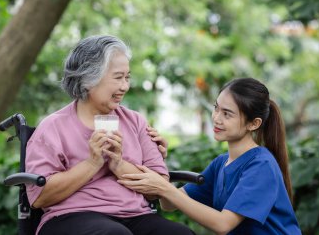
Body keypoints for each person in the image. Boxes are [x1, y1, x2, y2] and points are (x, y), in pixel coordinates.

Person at [25, 35, 195, 235]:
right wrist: (92, 163)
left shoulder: (136, 122)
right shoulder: (53, 127)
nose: (125, 86)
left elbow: (159, 186)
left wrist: (119, 164)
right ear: (88, 79)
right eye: (118, 77)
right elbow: (39, 197)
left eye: (127, 77)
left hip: (135, 215)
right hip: (71, 217)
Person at [119, 77, 302, 235]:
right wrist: (158, 162)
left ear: (253, 124)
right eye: (216, 108)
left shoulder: (261, 165)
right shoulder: (221, 163)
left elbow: (223, 224)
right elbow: (169, 204)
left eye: (227, 114)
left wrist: (165, 188)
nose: (216, 118)